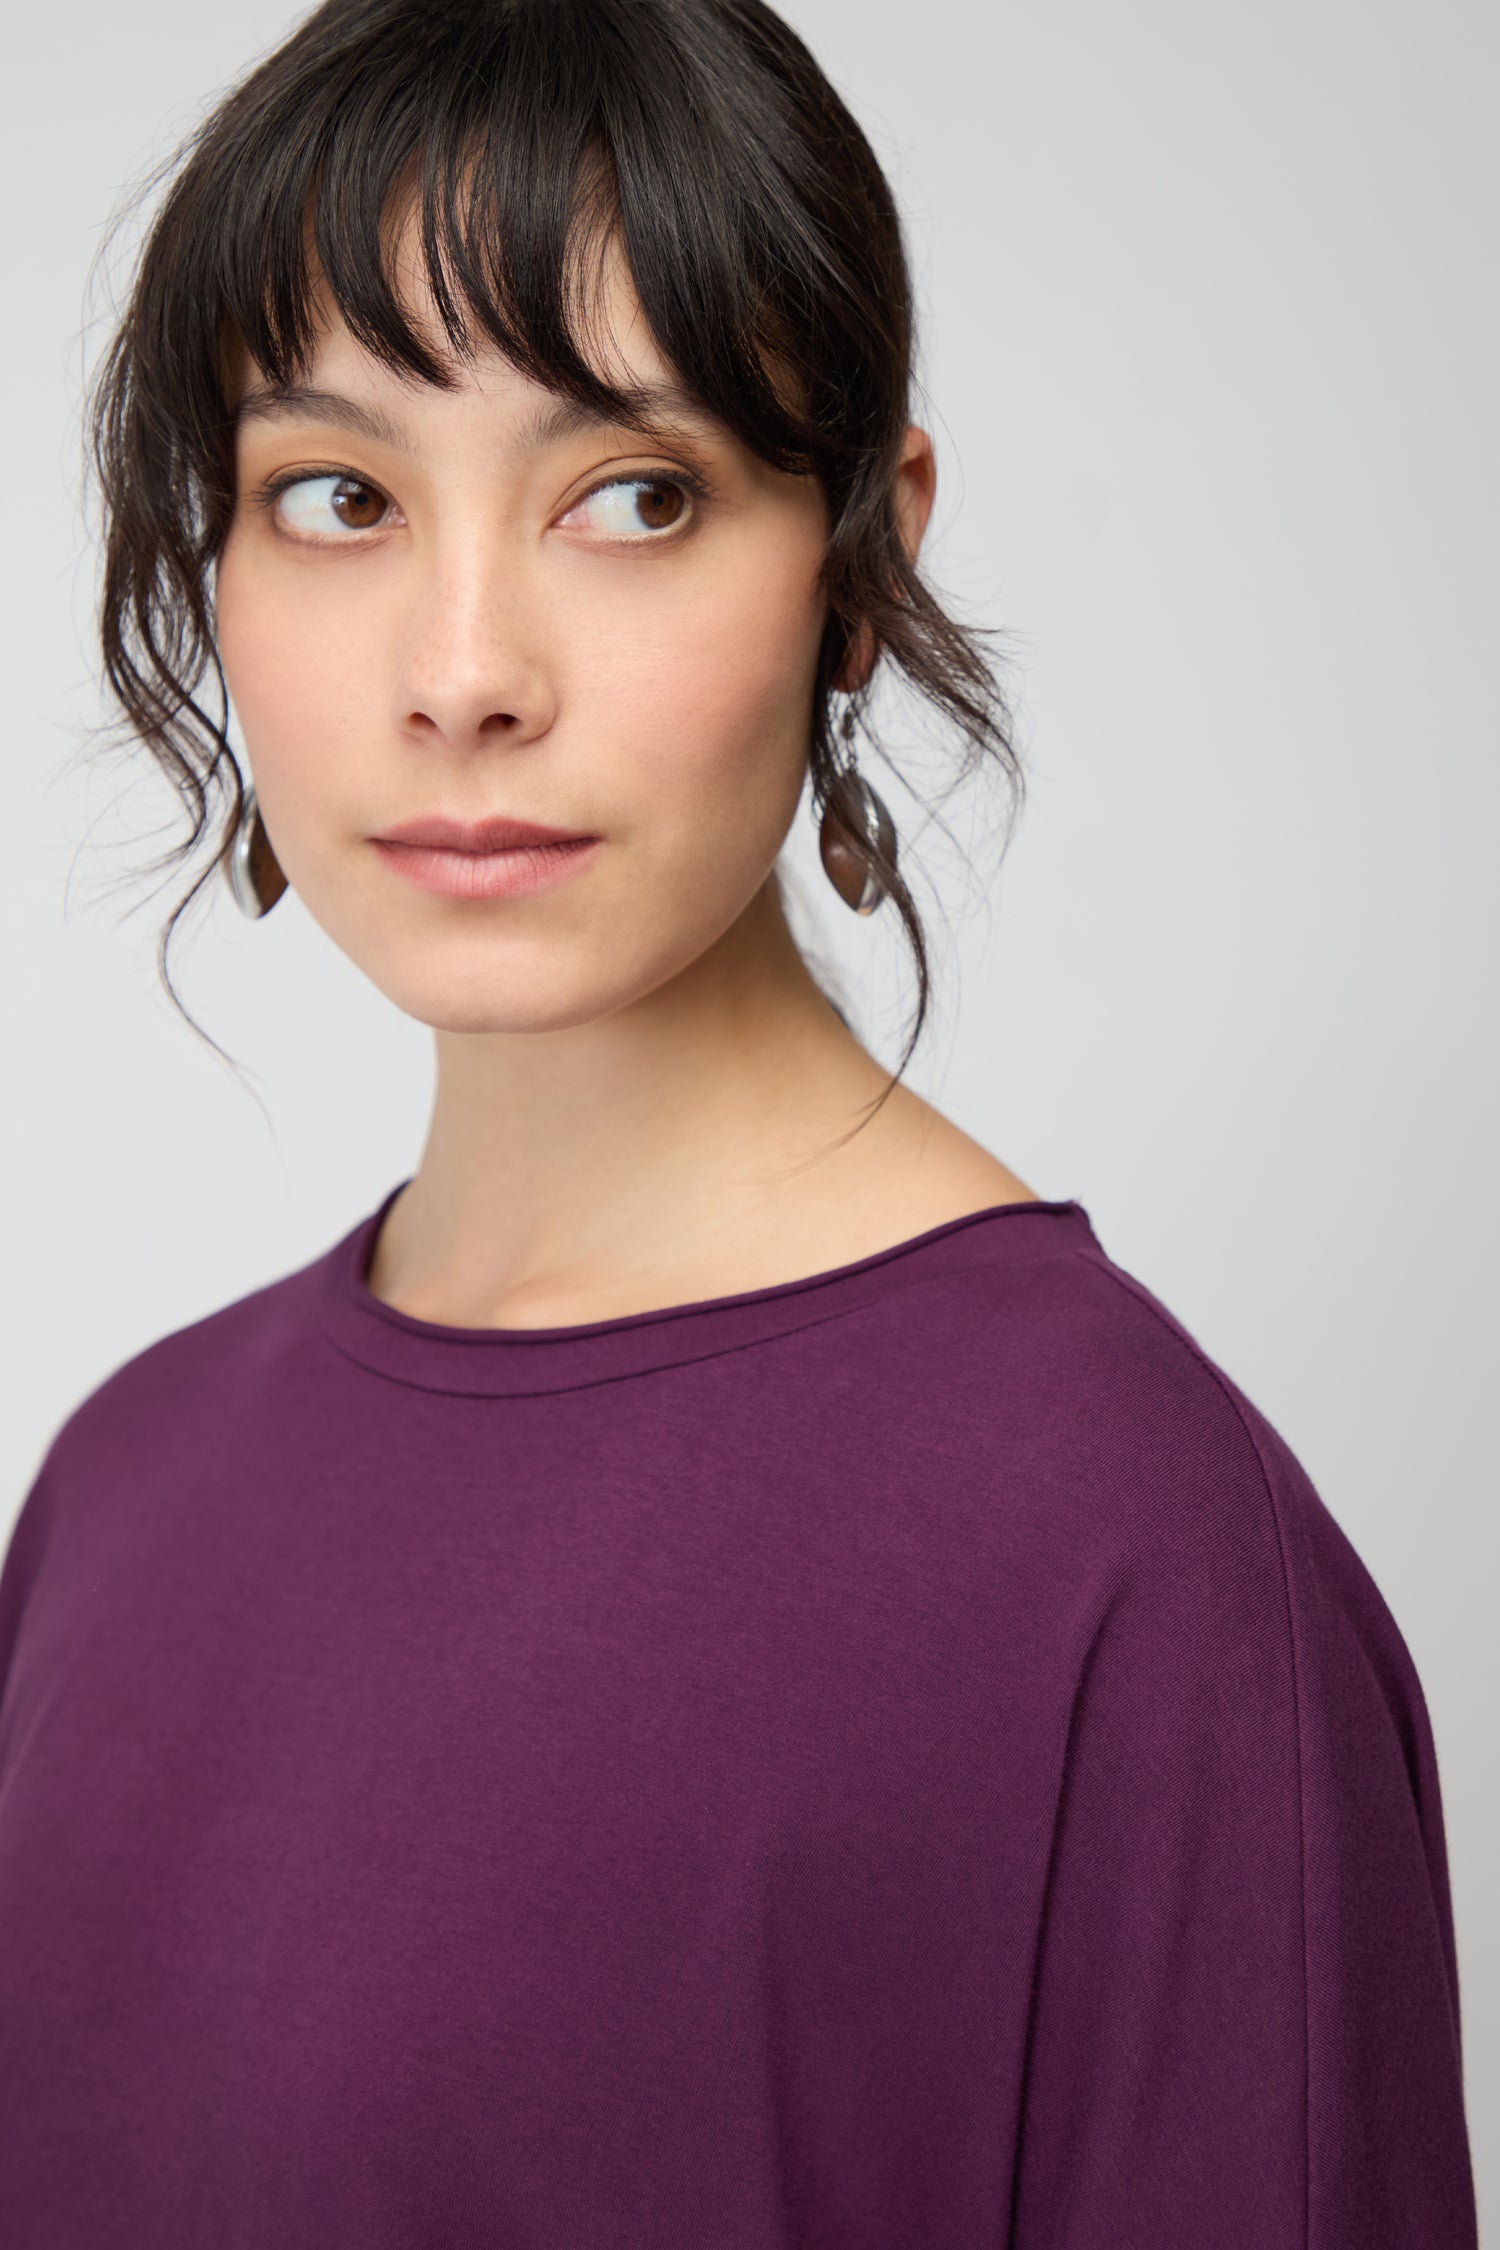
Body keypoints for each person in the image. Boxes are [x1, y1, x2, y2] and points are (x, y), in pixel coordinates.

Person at [0, 0, 1478, 2241]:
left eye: (634, 496)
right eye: (338, 497)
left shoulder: (1140, 1564)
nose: (465, 665)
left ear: (856, 561)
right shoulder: (120, 1484)